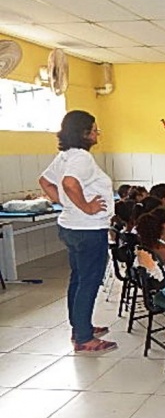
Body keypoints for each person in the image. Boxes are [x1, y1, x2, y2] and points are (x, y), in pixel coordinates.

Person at [39, 110, 117, 354]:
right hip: (88, 229)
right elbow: (69, 183)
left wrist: (66, 203)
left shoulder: (65, 156)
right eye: (94, 130)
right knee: (89, 281)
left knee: (78, 279)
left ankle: (80, 327)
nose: (97, 134)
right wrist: (86, 207)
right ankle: (83, 338)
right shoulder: (81, 158)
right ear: (84, 133)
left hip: (71, 226)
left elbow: (45, 182)